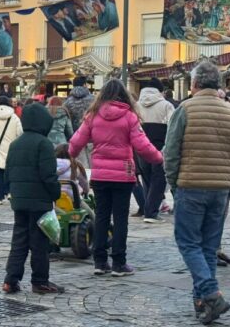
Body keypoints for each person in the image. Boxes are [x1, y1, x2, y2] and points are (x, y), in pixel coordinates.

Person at [163, 61, 230, 323]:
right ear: (219, 84)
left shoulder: (184, 109)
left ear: (194, 84)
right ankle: (203, 304)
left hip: (191, 184)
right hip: (220, 188)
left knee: (188, 242)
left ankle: (210, 293)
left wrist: (174, 184)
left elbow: (171, 151)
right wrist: (228, 179)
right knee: (209, 247)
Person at [69, 79, 162, 277]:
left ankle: (100, 262)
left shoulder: (92, 116)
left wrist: (70, 154)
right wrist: (159, 158)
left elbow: (76, 142)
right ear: (123, 95)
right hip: (123, 175)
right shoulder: (129, 117)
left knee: (102, 216)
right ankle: (119, 263)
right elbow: (143, 145)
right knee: (120, 219)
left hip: (101, 175)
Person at [2, 103, 63, 295]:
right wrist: (56, 194)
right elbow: (48, 176)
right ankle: (40, 281)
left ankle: (10, 280)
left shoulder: (15, 144)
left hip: (19, 201)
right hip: (39, 201)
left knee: (19, 241)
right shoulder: (43, 144)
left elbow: (7, 174)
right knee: (39, 244)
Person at [137, 78, 175, 224]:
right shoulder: (166, 105)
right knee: (158, 180)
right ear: (160, 91)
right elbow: (172, 127)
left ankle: (149, 208)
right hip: (160, 147)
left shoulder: (136, 105)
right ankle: (151, 212)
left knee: (147, 178)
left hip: (141, 145)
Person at [64, 76, 94, 167]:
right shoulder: (93, 99)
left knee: (80, 166)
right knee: (93, 164)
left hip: (76, 136)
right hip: (92, 136)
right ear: (85, 85)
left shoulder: (68, 101)